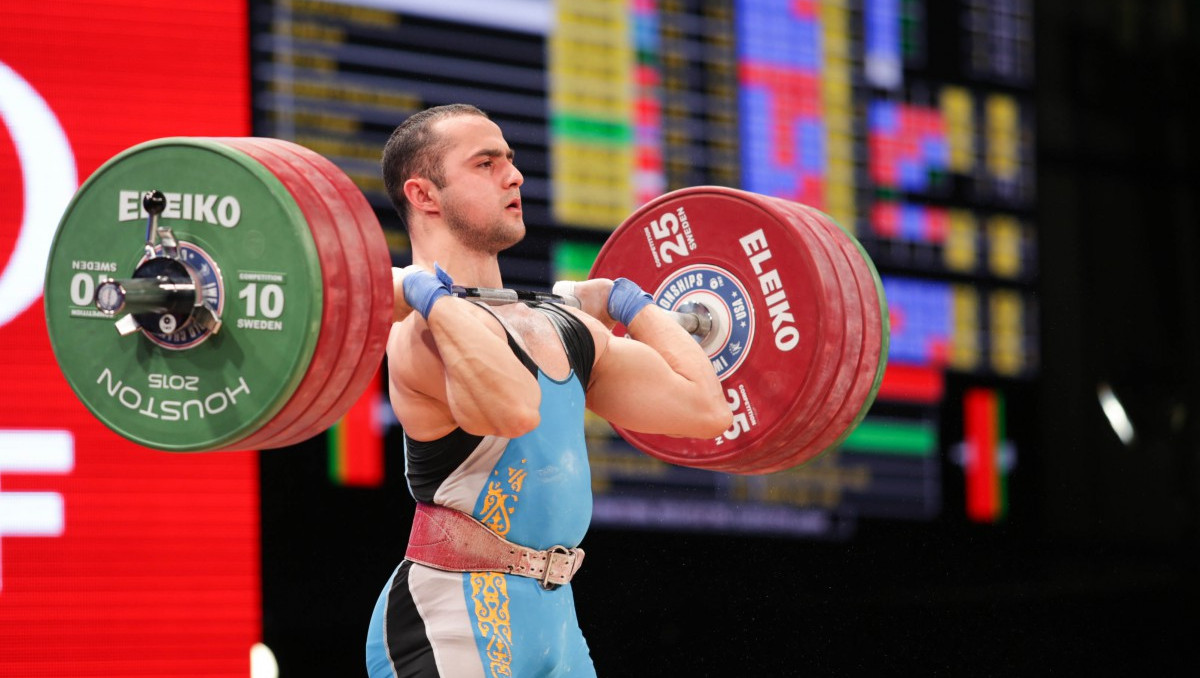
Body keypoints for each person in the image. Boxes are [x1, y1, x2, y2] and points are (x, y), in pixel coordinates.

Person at [365, 103, 732, 678]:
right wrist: (427, 293)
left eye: (510, 160)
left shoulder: (563, 325)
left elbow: (707, 409)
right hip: (451, 619)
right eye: (485, 164)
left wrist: (624, 301)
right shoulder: (418, 336)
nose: (514, 176)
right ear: (424, 195)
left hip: (555, 620)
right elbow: (513, 411)